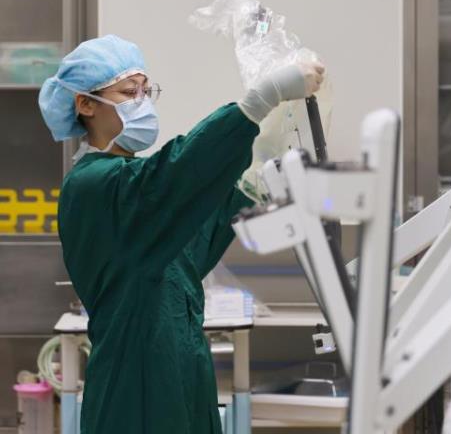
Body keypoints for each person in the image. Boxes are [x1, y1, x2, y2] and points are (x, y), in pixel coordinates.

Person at [38, 35, 324, 433]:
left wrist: (251, 181)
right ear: (86, 105)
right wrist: (259, 101)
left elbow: (193, 239)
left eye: (146, 90)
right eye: (129, 92)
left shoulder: (139, 196)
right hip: (135, 387)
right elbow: (175, 175)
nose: (142, 101)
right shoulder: (94, 186)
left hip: (182, 374)